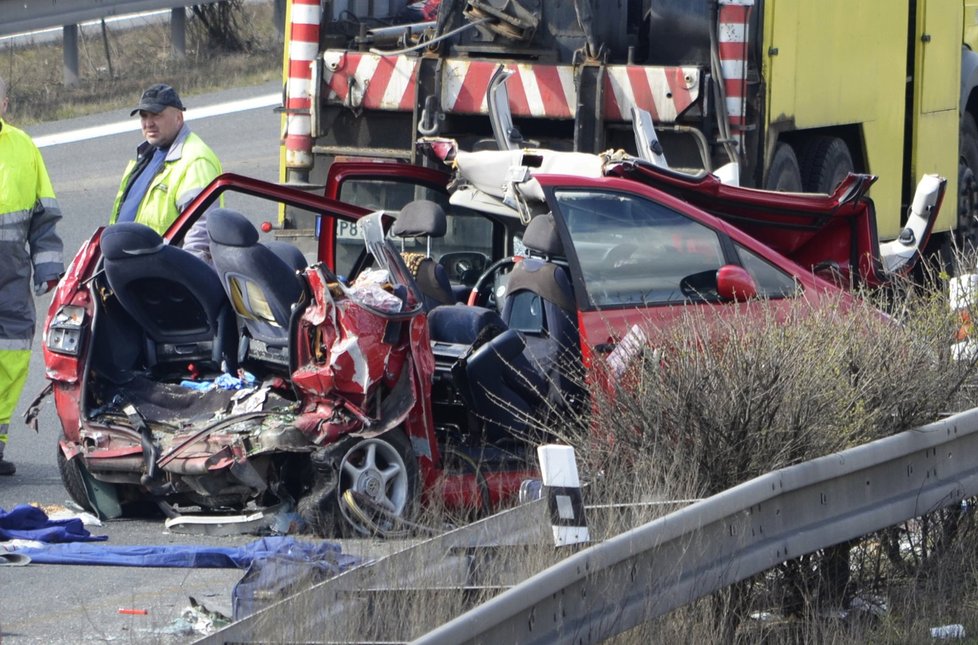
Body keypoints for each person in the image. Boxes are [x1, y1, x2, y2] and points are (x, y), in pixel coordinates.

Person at [0, 75, 65, 476]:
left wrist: (48, 266)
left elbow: (43, 216)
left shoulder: (22, 146)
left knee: (11, 354)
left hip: (11, 274)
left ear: (5, 102)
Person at [109, 83, 221, 262]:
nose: (148, 123)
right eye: (144, 116)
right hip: (130, 268)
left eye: (156, 115)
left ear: (179, 117)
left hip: (164, 273)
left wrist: (187, 275)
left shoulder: (195, 158)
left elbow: (201, 230)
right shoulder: (147, 154)